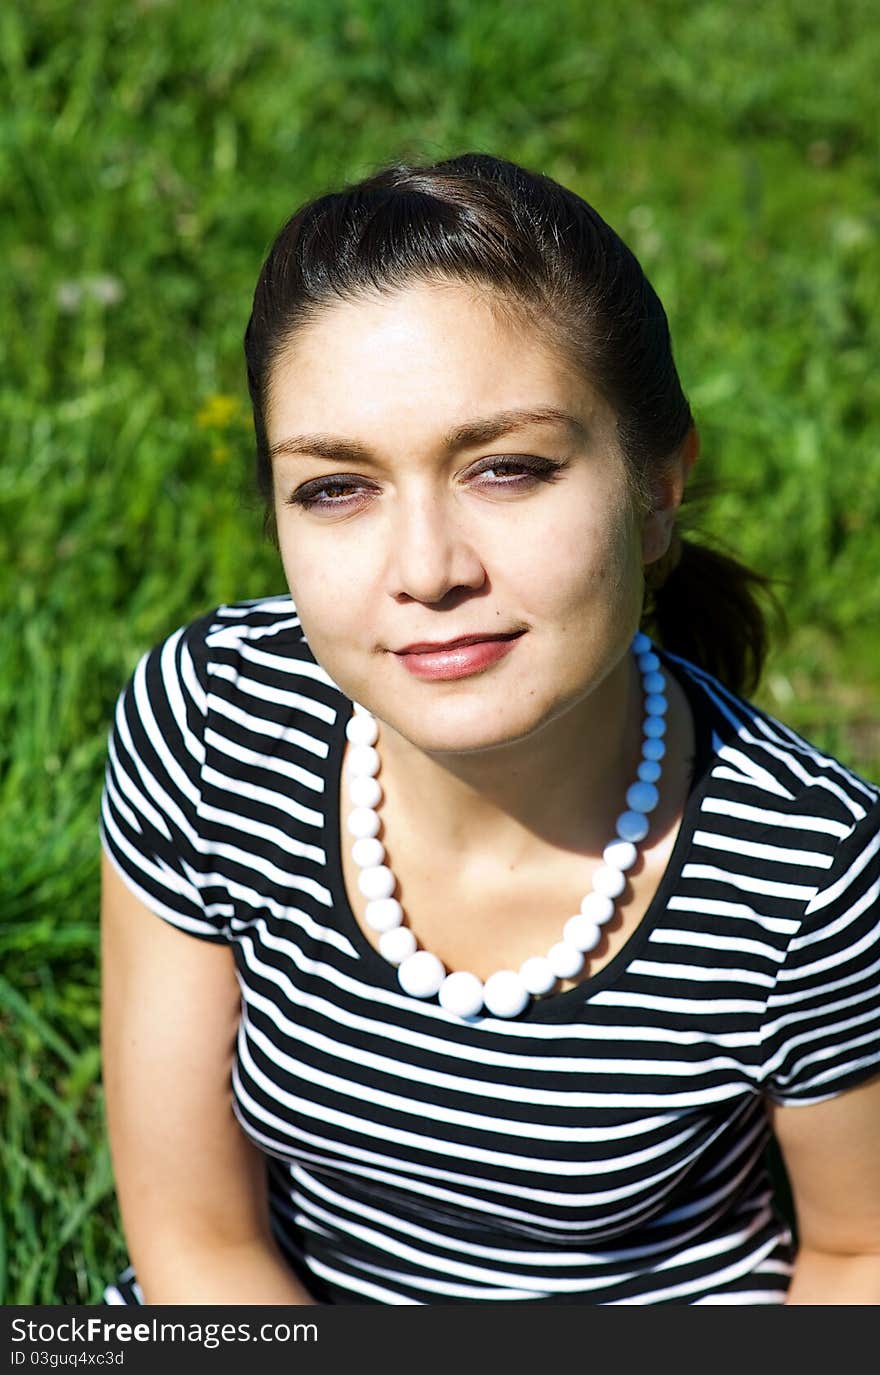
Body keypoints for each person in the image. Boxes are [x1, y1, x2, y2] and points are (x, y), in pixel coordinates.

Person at [99, 152, 880, 1307]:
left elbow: (858, 1259)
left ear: (657, 488)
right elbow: (199, 1241)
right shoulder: (212, 726)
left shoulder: (812, 869)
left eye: (506, 469)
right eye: (335, 487)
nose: (427, 570)